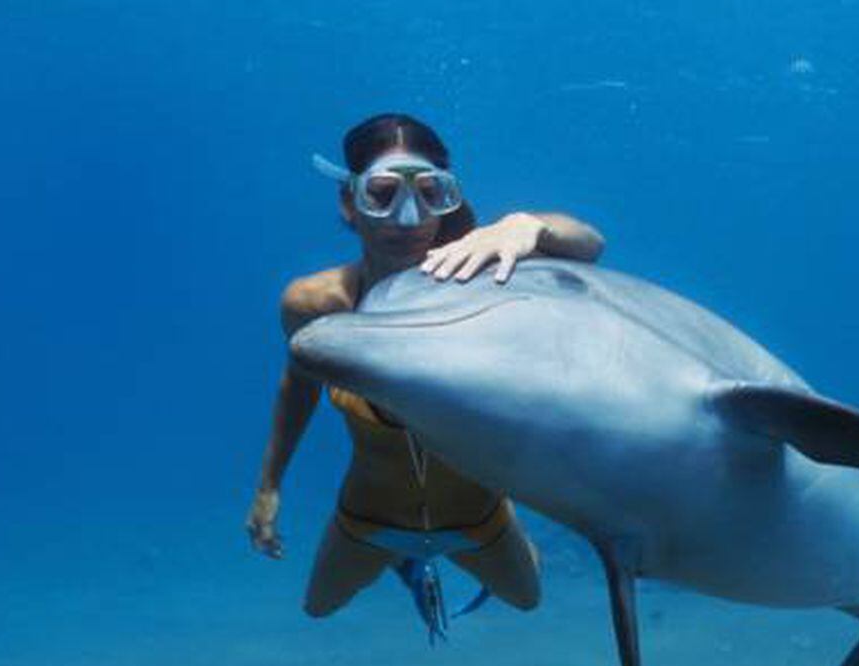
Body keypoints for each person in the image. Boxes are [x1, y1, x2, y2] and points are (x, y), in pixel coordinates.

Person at [246, 112, 605, 623]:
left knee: (528, 598)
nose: (407, 218)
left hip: (479, 516)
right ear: (350, 203)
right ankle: (406, 564)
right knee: (319, 607)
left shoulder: (485, 278)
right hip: (368, 517)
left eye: (430, 193)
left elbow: (589, 243)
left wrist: (525, 224)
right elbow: (298, 383)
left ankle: (433, 559)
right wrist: (268, 487)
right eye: (383, 194)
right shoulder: (315, 304)